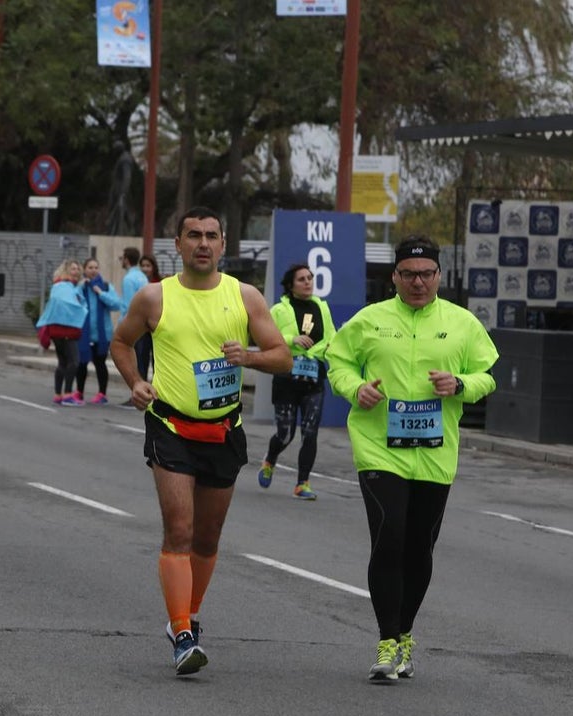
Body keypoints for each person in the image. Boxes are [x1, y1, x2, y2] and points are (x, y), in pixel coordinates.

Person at [110, 206, 291, 675]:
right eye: (194, 235)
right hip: (170, 426)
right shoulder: (155, 298)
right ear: (178, 244)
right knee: (180, 531)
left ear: (224, 243)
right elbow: (121, 343)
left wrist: (247, 357)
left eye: (212, 235)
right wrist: (135, 382)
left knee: (208, 539)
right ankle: (182, 633)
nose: (203, 243)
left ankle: (188, 616)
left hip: (224, 430)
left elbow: (283, 358)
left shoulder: (245, 296)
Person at [325, 235, 499, 683]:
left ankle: (404, 634)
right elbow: (338, 363)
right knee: (390, 536)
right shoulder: (370, 321)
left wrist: (460, 385)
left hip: (436, 453)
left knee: (420, 546)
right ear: (394, 277)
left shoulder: (462, 323)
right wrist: (354, 388)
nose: (418, 282)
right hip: (379, 447)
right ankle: (386, 643)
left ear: (439, 276)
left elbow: (486, 377)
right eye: (408, 274)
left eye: (426, 274)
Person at [256, 262, 336, 501]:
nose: (308, 282)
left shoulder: (321, 307)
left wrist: (319, 351)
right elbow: (267, 337)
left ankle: (302, 483)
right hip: (287, 379)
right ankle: (270, 460)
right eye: (302, 279)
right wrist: (293, 339)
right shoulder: (280, 310)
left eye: (310, 278)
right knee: (285, 433)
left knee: (310, 432)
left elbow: (331, 336)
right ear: (291, 285)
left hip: (314, 380)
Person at [35, 260, 87, 406]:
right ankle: (68, 395)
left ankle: (58, 394)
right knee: (74, 361)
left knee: (63, 362)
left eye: (78, 269)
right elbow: (74, 306)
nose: (76, 271)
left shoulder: (58, 286)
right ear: (66, 270)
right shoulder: (65, 286)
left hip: (56, 330)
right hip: (67, 329)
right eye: (73, 268)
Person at [76, 257, 122, 404]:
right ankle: (79, 393)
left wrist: (100, 292)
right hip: (84, 333)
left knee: (100, 363)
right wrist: (79, 287)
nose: (93, 270)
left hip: (102, 335)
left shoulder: (106, 286)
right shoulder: (81, 287)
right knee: (81, 363)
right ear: (84, 270)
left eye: (96, 267)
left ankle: (102, 394)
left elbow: (116, 304)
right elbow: (73, 301)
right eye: (90, 267)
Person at [117, 247, 149, 404]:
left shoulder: (129, 279)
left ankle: (137, 393)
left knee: (134, 359)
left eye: (121, 258)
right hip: (145, 325)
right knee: (142, 359)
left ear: (126, 259)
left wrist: (122, 326)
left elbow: (128, 306)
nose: (121, 261)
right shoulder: (142, 276)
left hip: (134, 325)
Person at [134, 253, 163, 380]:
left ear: (153, 267)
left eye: (148, 265)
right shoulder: (138, 282)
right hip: (142, 327)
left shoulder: (161, 283)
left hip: (157, 326)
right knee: (141, 358)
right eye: (142, 266)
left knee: (157, 360)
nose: (145, 268)